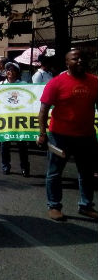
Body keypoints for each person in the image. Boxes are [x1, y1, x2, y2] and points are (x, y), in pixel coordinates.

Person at [36, 49, 98, 222]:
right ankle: (54, 206)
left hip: (86, 136)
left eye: (82, 58)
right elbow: (43, 111)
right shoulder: (55, 83)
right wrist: (42, 133)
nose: (79, 61)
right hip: (59, 136)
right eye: (75, 58)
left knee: (86, 173)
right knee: (55, 173)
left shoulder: (95, 82)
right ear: (66, 62)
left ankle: (86, 206)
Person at [0, 62, 30, 177]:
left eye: (12, 70)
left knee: (22, 145)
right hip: (5, 120)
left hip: (20, 120)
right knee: (4, 145)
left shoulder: (23, 84)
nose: (10, 72)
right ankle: (5, 166)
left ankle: (25, 167)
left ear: (17, 72)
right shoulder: (1, 84)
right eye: (8, 70)